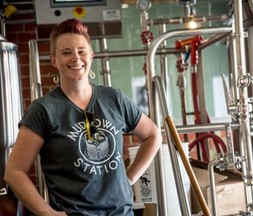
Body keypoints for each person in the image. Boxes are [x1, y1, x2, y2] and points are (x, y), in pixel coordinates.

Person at [4, 19, 162, 216]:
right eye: (66, 52)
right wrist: (46, 212)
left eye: (81, 51)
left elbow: (153, 135)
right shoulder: (44, 109)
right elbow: (14, 171)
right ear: (54, 60)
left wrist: (128, 179)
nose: (76, 58)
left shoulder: (114, 99)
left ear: (91, 56)